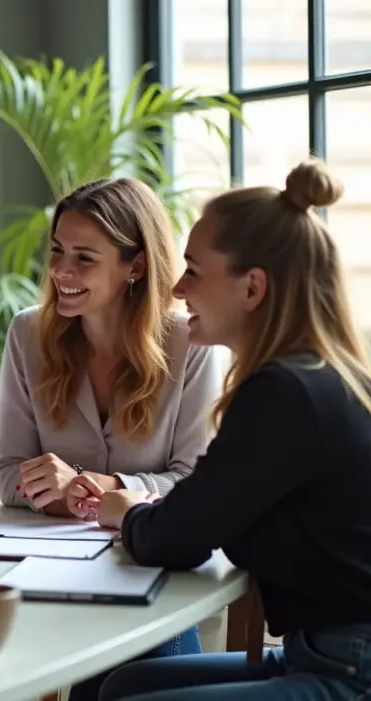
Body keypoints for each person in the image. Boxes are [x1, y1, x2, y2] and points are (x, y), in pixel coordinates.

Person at [95, 160, 371, 700]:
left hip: (350, 668)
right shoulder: (321, 376)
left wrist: (125, 510)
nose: (176, 288)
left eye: (194, 269)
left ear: (252, 288)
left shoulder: (284, 394)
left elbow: (176, 537)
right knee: (123, 686)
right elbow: (204, 511)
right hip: (321, 650)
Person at [0, 178, 223, 700]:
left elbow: (196, 481)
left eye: (84, 259)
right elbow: (4, 471)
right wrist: (53, 492)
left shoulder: (192, 342)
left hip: (154, 574)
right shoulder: (29, 334)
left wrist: (104, 484)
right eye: (57, 252)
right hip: (48, 574)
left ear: (134, 265)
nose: (61, 272)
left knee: (120, 683)